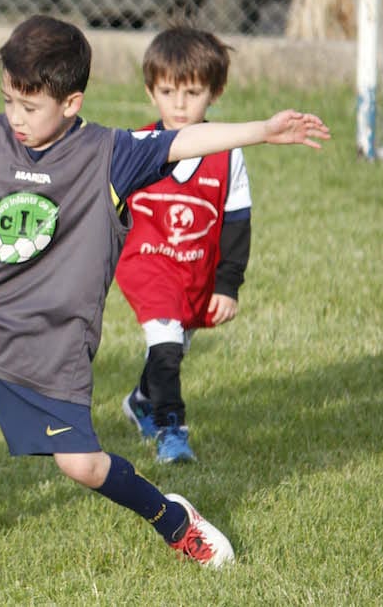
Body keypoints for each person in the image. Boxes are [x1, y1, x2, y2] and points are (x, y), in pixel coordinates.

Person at [0, 15, 329, 570]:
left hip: (46, 344)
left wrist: (262, 129)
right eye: (9, 101)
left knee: (83, 466)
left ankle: (176, 520)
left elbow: (182, 140)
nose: (14, 117)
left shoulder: (109, 154)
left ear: (71, 103)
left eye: (30, 106)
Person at [117, 26, 251, 464]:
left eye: (192, 92)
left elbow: (236, 221)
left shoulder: (228, 152)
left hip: (194, 271)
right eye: (167, 91)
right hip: (145, 266)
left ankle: (141, 399)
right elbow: (104, 204)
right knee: (167, 344)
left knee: (172, 348)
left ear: (215, 92)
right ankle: (171, 431)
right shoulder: (135, 145)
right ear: (150, 90)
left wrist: (226, 284)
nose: (178, 104)